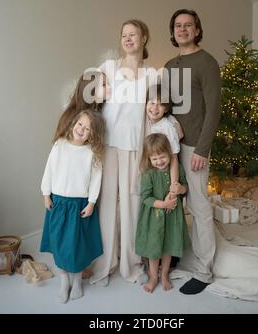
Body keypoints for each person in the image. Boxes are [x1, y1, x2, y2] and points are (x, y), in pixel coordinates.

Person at [90, 19, 152, 285]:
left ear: (144, 38)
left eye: (133, 34)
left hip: (134, 145)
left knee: (132, 203)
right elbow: (92, 101)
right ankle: (104, 263)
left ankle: (131, 262)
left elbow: (152, 115)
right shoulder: (108, 68)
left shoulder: (152, 75)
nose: (128, 39)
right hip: (107, 144)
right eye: (124, 35)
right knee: (105, 205)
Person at [164, 8, 221, 295]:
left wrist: (202, 148)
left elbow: (213, 110)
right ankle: (173, 254)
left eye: (188, 25)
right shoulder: (170, 64)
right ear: (172, 32)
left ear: (197, 30)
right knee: (173, 202)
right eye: (178, 25)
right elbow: (164, 107)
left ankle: (204, 270)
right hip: (170, 147)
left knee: (199, 207)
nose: (183, 29)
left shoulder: (207, 62)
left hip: (194, 147)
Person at [40, 110, 105, 303]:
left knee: (77, 246)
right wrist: (46, 194)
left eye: (87, 129)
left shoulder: (92, 153)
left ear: (92, 134)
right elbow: (49, 170)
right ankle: (64, 281)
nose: (82, 130)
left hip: (80, 205)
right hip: (59, 203)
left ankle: (76, 280)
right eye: (80, 125)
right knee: (60, 245)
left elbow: (96, 179)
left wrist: (92, 202)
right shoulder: (59, 145)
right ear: (73, 124)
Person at [135, 133, 189, 293]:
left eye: (162, 157)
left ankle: (164, 274)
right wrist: (163, 203)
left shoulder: (177, 169)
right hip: (154, 217)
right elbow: (146, 198)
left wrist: (180, 189)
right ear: (149, 159)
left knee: (168, 246)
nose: (159, 161)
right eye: (154, 158)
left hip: (172, 216)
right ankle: (153, 277)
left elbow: (185, 187)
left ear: (169, 154)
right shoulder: (148, 173)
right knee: (154, 248)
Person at [146, 83, 183, 194]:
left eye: (160, 105)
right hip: (149, 174)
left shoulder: (168, 127)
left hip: (164, 174)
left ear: (166, 109)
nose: (154, 108)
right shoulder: (144, 120)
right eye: (152, 102)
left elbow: (174, 158)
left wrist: (173, 185)